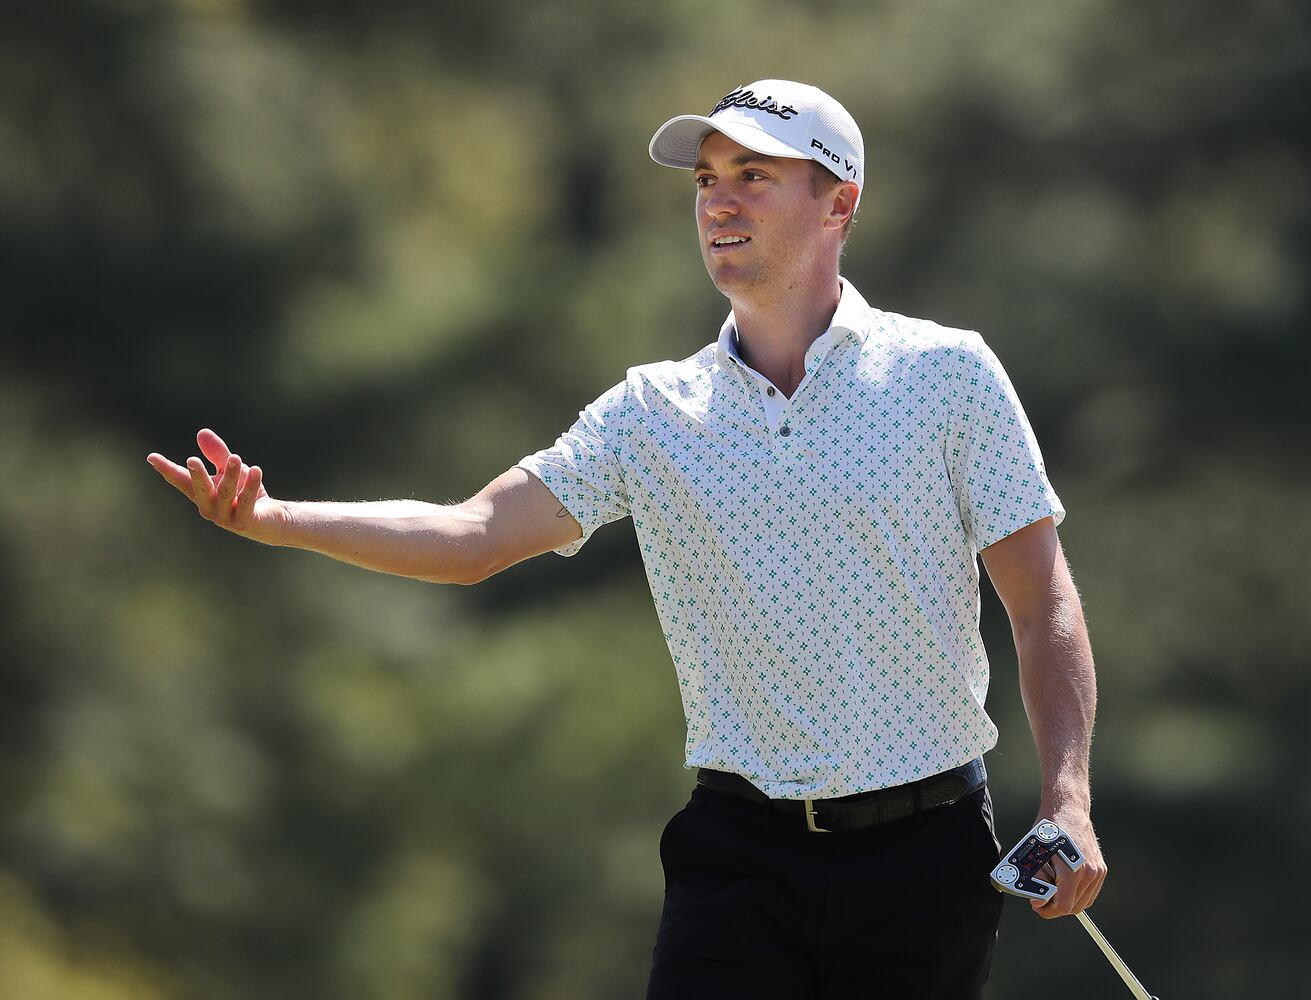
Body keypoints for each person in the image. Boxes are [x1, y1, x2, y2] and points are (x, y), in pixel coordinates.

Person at [148, 79, 1106, 999]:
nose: (718, 202)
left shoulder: (946, 375)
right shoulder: (649, 412)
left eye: (754, 176)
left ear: (838, 203)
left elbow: (1040, 603)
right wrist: (277, 519)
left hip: (925, 851)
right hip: (739, 855)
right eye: (706, 180)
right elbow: (473, 536)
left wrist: (1067, 797)